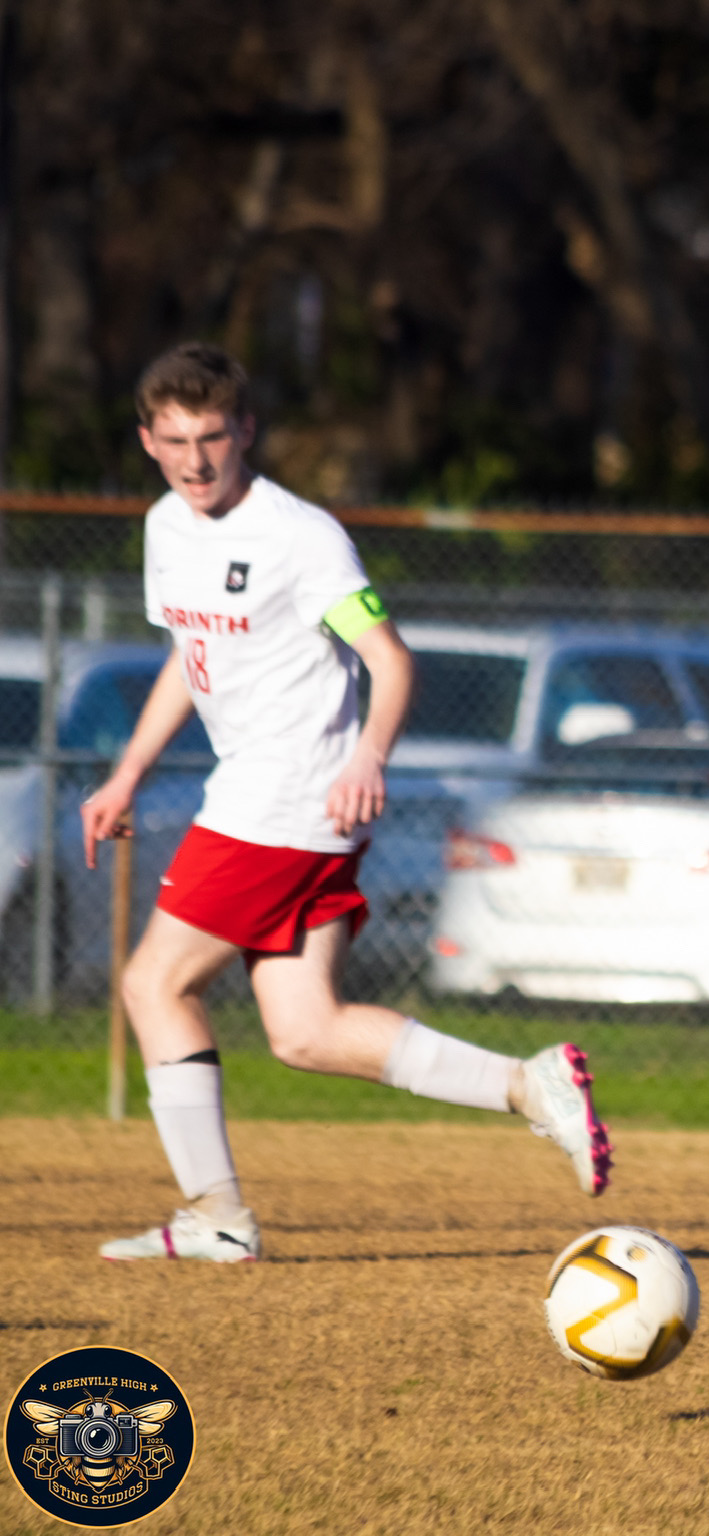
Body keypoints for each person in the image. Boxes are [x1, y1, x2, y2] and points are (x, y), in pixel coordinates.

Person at [84, 343, 611, 1264]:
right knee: (306, 1031)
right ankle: (532, 1086)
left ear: (246, 431)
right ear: (147, 441)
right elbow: (188, 657)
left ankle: (215, 1216)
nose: (196, 461)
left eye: (213, 437)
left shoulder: (299, 536)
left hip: (282, 800)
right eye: (176, 440)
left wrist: (369, 755)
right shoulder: (167, 526)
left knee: (153, 983)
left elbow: (391, 660)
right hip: (280, 806)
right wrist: (128, 772)